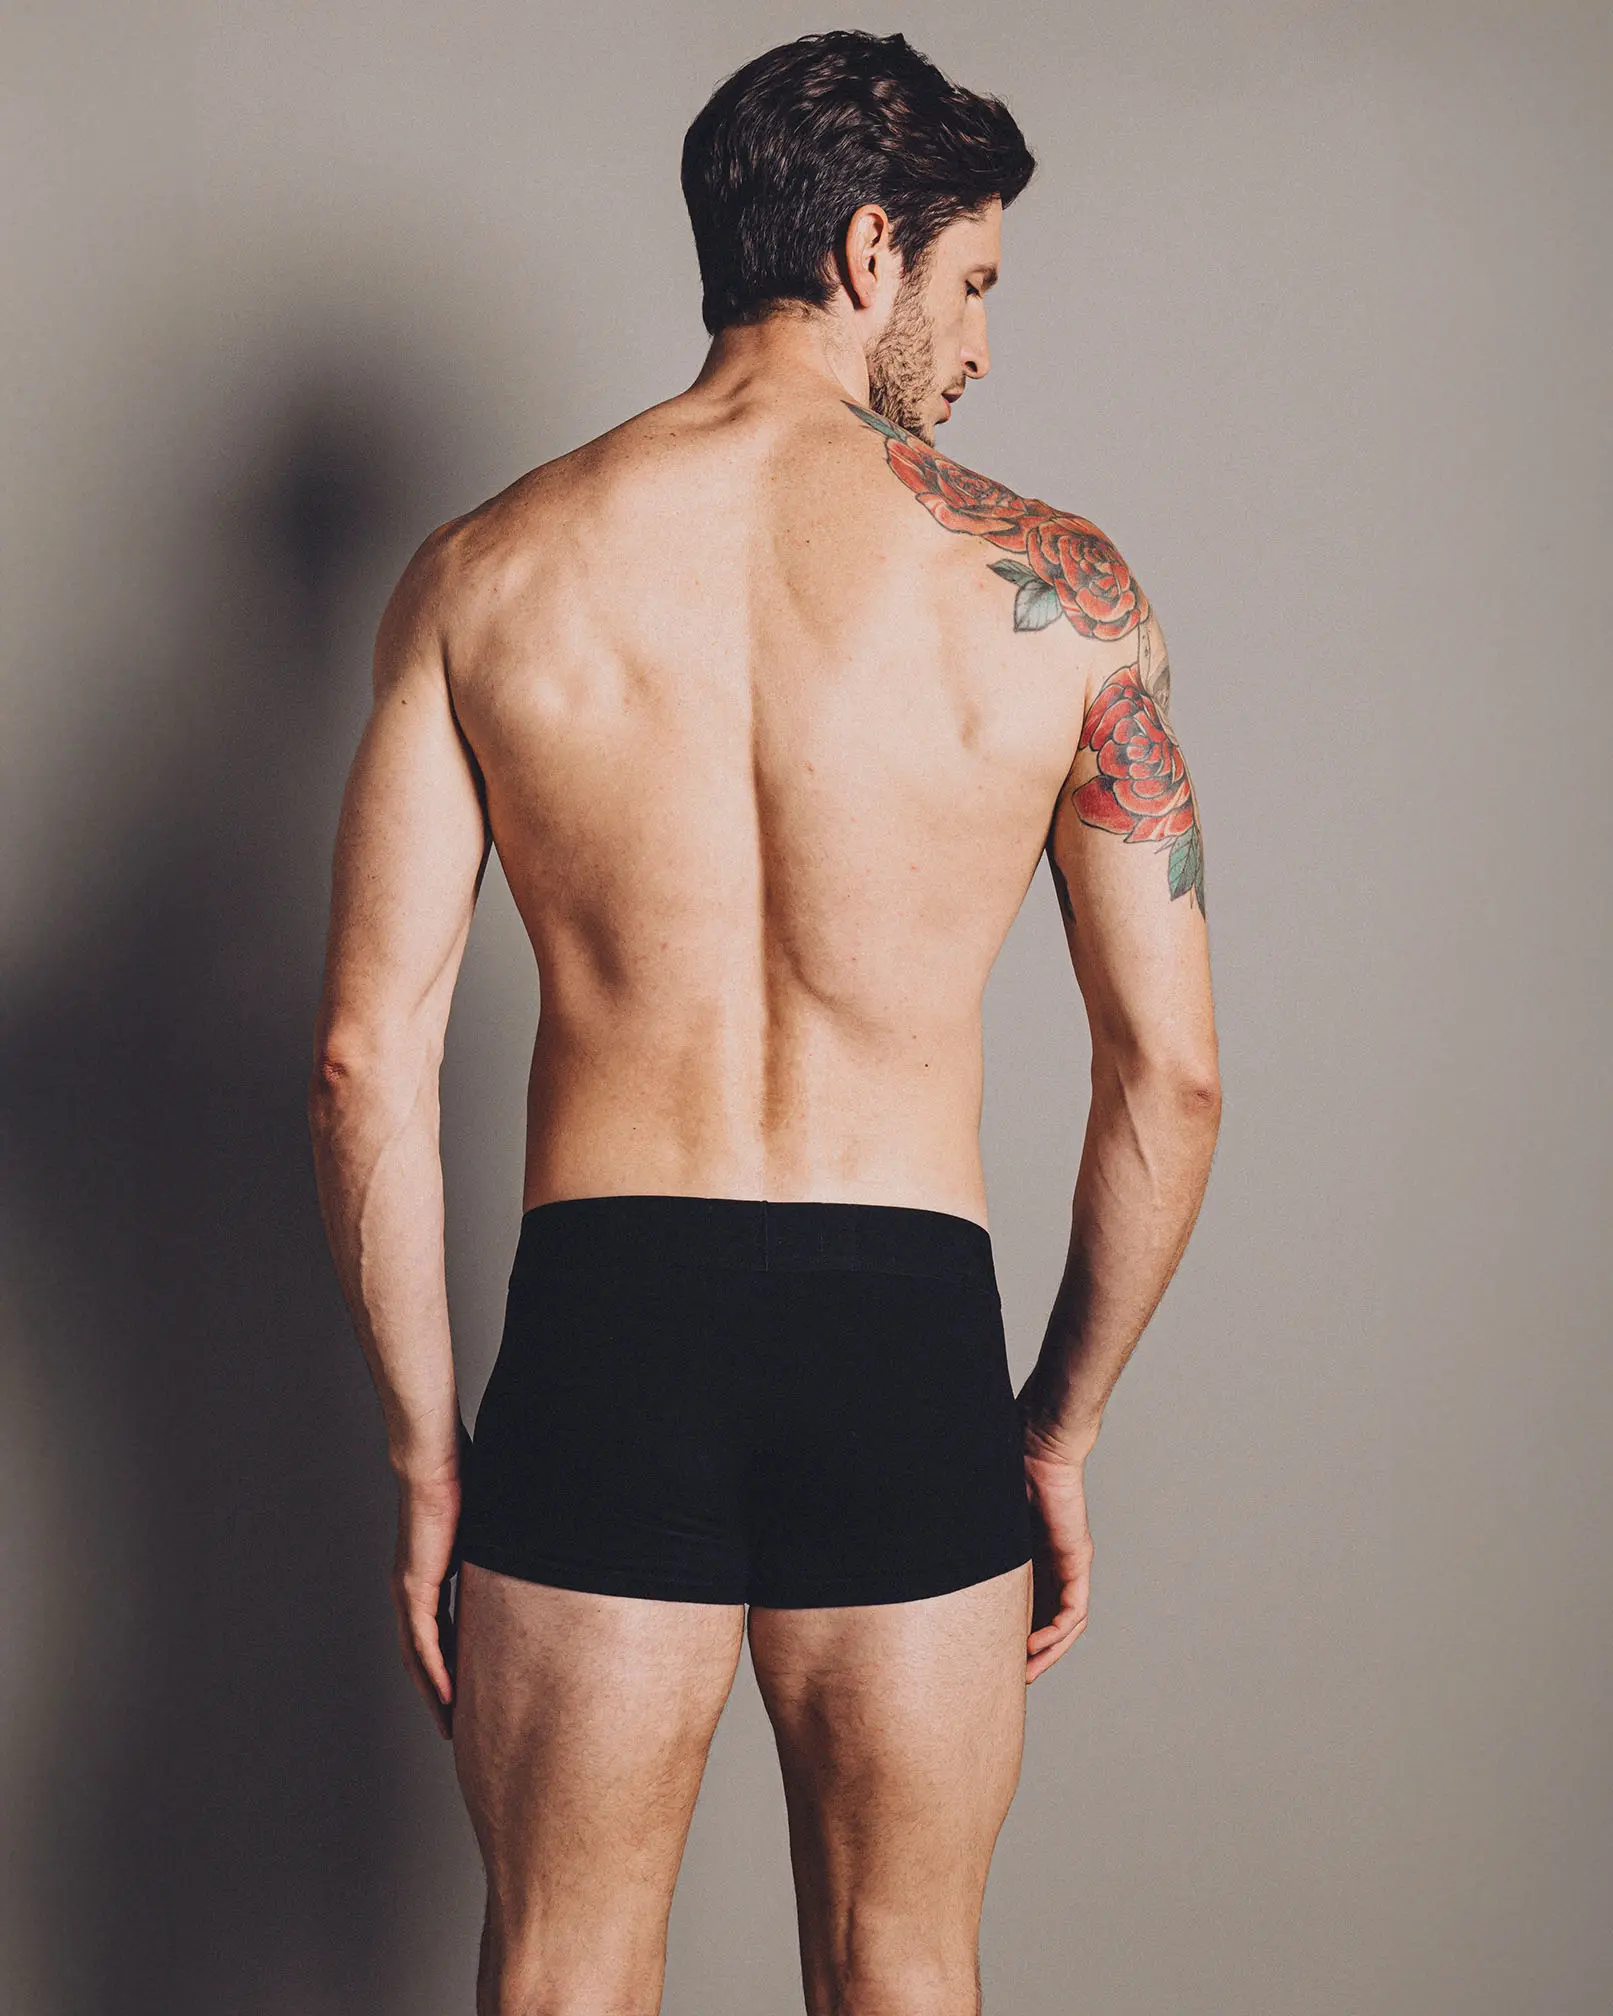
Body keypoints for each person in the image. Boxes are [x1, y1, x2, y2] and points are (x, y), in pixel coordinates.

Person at [308, 27, 1219, 2016]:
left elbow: (366, 1060)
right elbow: (1170, 1076)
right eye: (973, 284)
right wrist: (1054, 1430)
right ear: (872, 248)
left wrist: (426, 1456)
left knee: (561, 1969)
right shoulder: (1061, 599)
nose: (980, 348)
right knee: (904, 1965)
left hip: (605, 1323)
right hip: (904, 1323)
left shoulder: (484, 575)